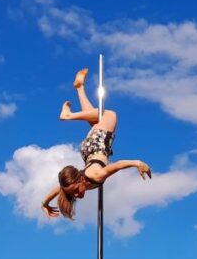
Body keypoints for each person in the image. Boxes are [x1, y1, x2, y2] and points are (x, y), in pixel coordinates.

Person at [42, 68, 153, 219]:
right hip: (89, 150)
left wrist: (138, 163)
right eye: (72, 193)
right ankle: (79, 88)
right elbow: (58, 190)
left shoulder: (96, 175)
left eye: (75, 190)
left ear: (80, 179)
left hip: (98, 143)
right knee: (96, 117)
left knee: (109, 114)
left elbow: (118, 165)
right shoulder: (75, 185)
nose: (75, 194)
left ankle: (69, 115)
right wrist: (44, 203)